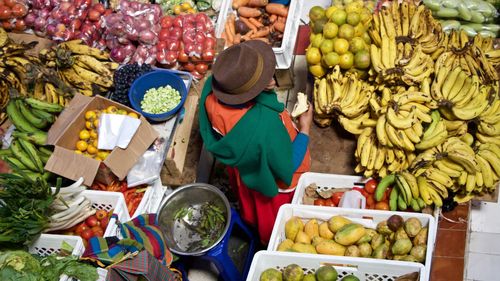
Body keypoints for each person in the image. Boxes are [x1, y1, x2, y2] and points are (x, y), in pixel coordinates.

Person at [198, 40, 312, 244]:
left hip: (247, 170)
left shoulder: (212, 94)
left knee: (252, 207)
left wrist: (262, 88)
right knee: (276, 222)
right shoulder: (263, 127)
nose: (271, 76)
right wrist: (304, 129)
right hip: (273, 183)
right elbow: (286, 165)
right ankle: (270, 241)